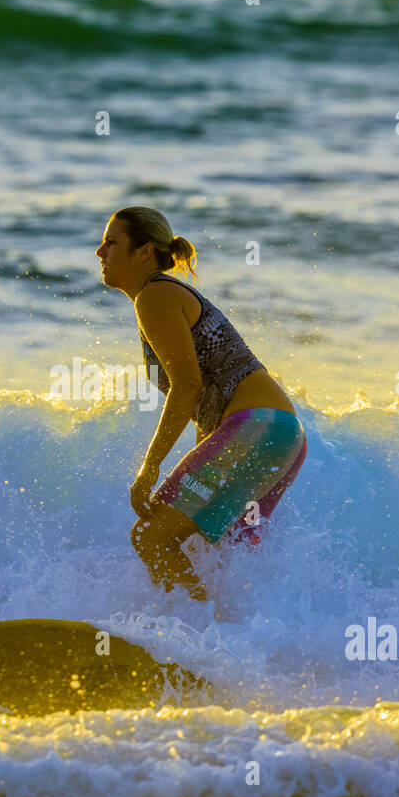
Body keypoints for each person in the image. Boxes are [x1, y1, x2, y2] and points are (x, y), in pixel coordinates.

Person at [97, 207, 307, 601]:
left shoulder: (155, 296)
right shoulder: (166, 296)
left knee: (150, 535)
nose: (99, 252)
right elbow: (207, 403)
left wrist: (150, 468)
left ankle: (195, 638)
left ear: (143, 252)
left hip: (256, 429)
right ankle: (229, 644)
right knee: (217, 557)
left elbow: (187, 387)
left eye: (111, 242)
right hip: (281, 436)